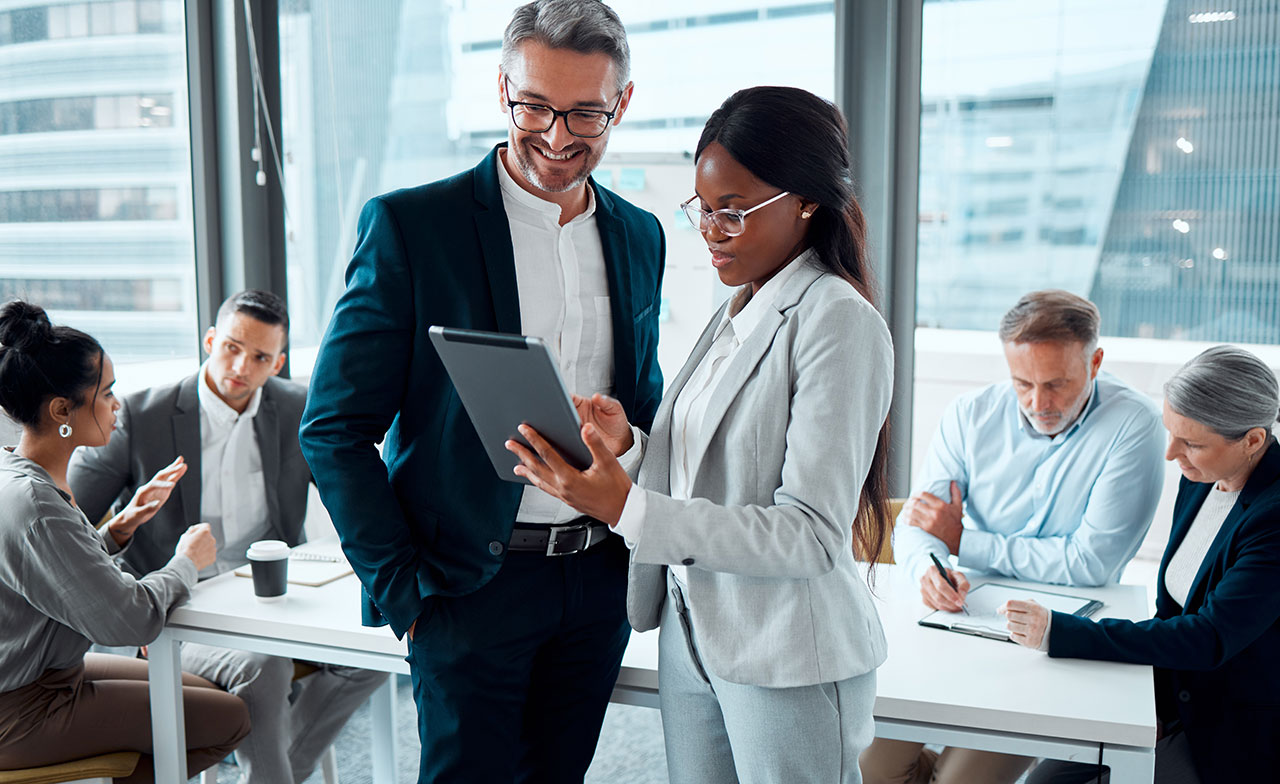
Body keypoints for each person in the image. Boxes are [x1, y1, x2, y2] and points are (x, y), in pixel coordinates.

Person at [297, 2, 664, 781]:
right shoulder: (411, 227)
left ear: (621, 105)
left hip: (596, 583)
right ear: (503, 90)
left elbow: (646, 401)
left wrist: (627, 435)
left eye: (586, 113)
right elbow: (332, 427)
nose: (558, 136)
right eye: (534, 105)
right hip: (468, 591)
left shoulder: (640, 235)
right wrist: (406, 591)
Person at [507, 85, 893, 784]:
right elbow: (713, 472)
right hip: (695, 631)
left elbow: (807, 534)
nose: (712, 231)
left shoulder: (836, 319)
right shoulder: (740, 305)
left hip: (786, 650)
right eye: (704, 210)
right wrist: (630, 447)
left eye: (735, 211)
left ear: (806, 201)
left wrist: (624, 507)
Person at [67, 290, 385, 784]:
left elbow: (355, 494)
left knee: (373, 650)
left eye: (260, 357)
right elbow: (74, 538)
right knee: (264, 666)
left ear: (277, 363)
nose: (241, 365)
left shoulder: (300, 408)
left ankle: (271, 770)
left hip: (271, 597)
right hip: (178, 611)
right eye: (232, 347)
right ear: (211, 339)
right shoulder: (138, 416)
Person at [861, 289, 1166, 784]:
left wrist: (964, 541)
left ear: (1096, 362)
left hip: (1057, 637)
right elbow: (920, 525)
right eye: (1022, 382)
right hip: (961, 620)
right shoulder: (970, 413)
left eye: (1057, 384)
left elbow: (1092, 564)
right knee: (870, 769)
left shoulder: (1134, 424)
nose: (1038, 403)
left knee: (960, 781)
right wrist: (930, 569)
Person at [1006, 345, 1280, 784]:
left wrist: (1062, 631)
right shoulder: (1204, 478)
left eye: (1191, 442)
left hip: (1227, 731)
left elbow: (1207, 637)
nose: (1171, 453)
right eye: (1171, 432)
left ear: (1252, 440)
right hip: (1169, 701)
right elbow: (1173, 610)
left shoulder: (1273, 516)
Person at [0, 301, 249, 782]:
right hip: (23, 708)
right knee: (229, 719)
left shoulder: (18, 472)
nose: (119, 404)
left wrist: (118, 529)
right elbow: (129, 619)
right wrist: (186, 562)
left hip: (45, 677)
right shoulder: (37, 503)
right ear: (61, 411)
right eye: (107, 392)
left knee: (209, 699)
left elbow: (50, 568)